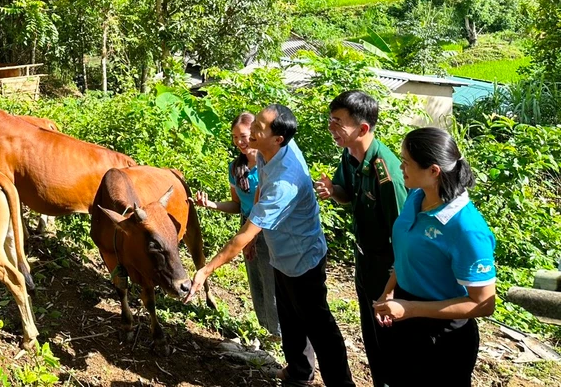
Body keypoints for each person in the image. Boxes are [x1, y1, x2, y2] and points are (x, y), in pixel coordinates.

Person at [186, 104, 355, 387]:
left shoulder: (285, 181)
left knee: (318, 325)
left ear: (278, 138)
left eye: (258, 129)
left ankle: (341, 383)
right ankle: (299, 373)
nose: (251, 131)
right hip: (282, 253)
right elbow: (259, 189)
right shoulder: (269, 151)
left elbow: (244, 235)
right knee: (289, 318)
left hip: (303, 258)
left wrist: (206, 270)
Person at [374, 127, 496, 387]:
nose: (400, 166)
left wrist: (411, 309)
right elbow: (409, 253)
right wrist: (389, 292)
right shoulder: (417, 196)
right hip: (407, 316)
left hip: (442, 337)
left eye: (406, 161)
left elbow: (484, 304)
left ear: (433, 171)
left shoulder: (466, 227)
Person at [314, 90, 406, 387]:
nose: (331, 128)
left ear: (363, 128)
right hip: (364, 258)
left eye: (338, 122)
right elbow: (346, 192)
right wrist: (333, 192)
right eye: (331, 120)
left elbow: (402, 233)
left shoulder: (386, 170)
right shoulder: (350, 155)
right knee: (372, 333)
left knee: (391, 337)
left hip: (388, 266)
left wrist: (394, 284)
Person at [192, 112, 280, 338]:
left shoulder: (270, 163)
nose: (239, 142)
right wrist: (211, 204)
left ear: (256, 133)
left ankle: (280, 334)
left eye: (243, 136)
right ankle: (267, 331)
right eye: (235, 137)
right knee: (256, 280)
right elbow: (236, 204)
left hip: (269, 229)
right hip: (247, 225)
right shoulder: (236, 168)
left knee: (273, 282)